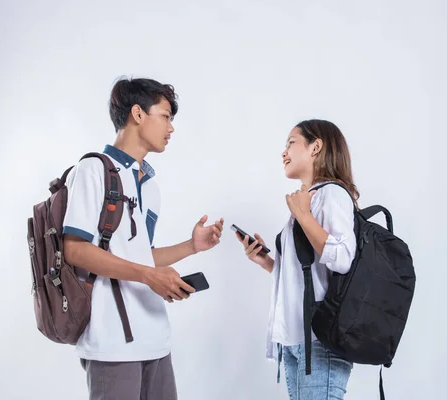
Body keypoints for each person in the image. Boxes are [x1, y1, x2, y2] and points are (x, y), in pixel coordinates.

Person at [62, 77, 224, 399]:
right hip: (112, 343)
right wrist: (149, 276)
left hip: (155, 339)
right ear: (138, 114)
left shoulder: (150, 186)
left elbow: (139, 255)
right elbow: (76, 251)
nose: (171, 128)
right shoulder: (93, 170)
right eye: (165, 116)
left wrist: (191, 246)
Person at [236, 119, 358, 399]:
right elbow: (310, 273)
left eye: (291, 143)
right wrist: (267, 262)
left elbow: (342, 258)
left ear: (316, 147)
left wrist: (303, 215)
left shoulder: (332, 194)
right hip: (296, 339)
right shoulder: (309, 199)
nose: (284, 152)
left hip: (319, 340)